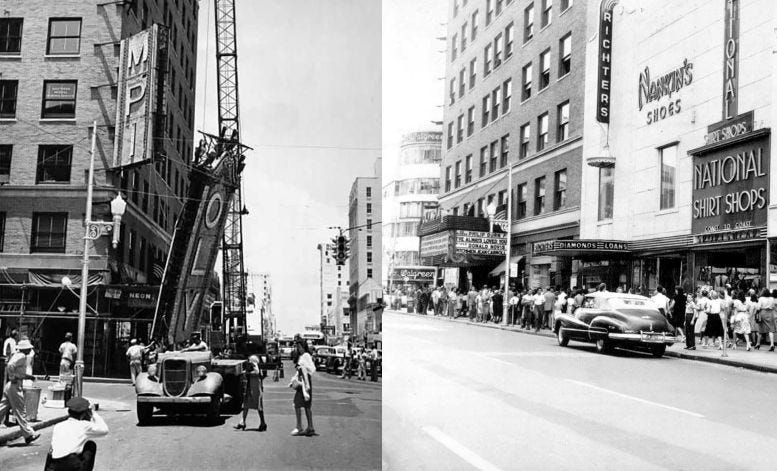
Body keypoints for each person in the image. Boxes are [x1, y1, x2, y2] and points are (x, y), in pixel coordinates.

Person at [44, 397, 108, 471]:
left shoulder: (58, 426)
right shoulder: (84, 425)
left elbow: (51, 451)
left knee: (52, 448)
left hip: (54, 466)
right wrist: (93, 413)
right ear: (84, 414)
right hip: (72, 465)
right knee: (90, 445)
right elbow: (105, 430)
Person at [0, 339, 40, 445]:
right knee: (20, 411)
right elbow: (10, 366)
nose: (30, 350)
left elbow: (18, 371)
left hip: (11, 385)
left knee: (2, 408)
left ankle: (28, 434)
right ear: (25, 348)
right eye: (28, 348)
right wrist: (12, 376)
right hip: (15, 385)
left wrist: (29, 377)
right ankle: (29, 434)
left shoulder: (18, 355)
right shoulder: (21, 356)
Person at [234, 355, 268, 431]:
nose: (248, 361)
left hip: (255, 387)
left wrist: (247, 373)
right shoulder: (253, 365)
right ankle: (242, 422)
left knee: (258, 406)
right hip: (251, 386)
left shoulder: (254, 365)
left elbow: (256, 372)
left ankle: (263, 423)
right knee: (246, 404)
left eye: (249, 360)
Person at [290, 340, 315, 436]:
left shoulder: (305, 356)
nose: (299, 349)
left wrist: (306, 383)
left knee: (298, 404)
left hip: (304, 381)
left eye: (300, 346)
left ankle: (299, 426)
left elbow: (304, 370)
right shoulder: (305, 356)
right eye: (298, 347)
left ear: (304, 347)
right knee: (306, 405)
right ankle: (310, 427)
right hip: (303, 381)